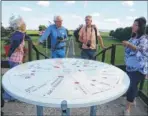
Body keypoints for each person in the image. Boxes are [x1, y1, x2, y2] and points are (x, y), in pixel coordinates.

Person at [122, 17, 148, 115]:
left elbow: (140, 50)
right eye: (133, 24)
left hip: (138, 69)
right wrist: (127, 45)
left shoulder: (144, 39)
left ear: (141, 27)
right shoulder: (132, 37)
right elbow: (129, 50)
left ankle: (127, 109)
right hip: (129, 67)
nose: (133, 26)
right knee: (133, 86)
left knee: (130, 86)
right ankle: (132, 100)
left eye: (135, 24)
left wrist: (128, 45)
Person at [3, 15, 27, 101]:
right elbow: (14, 45)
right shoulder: (19, 35)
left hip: (14, 59)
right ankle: (8, 96)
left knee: (14, 77)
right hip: (16, 60)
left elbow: (14, 44)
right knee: (13, 78)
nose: (25, 24)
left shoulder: (18, 34)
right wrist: (16, 49)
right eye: (23, 23)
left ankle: (11, 96)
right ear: (20, 24)